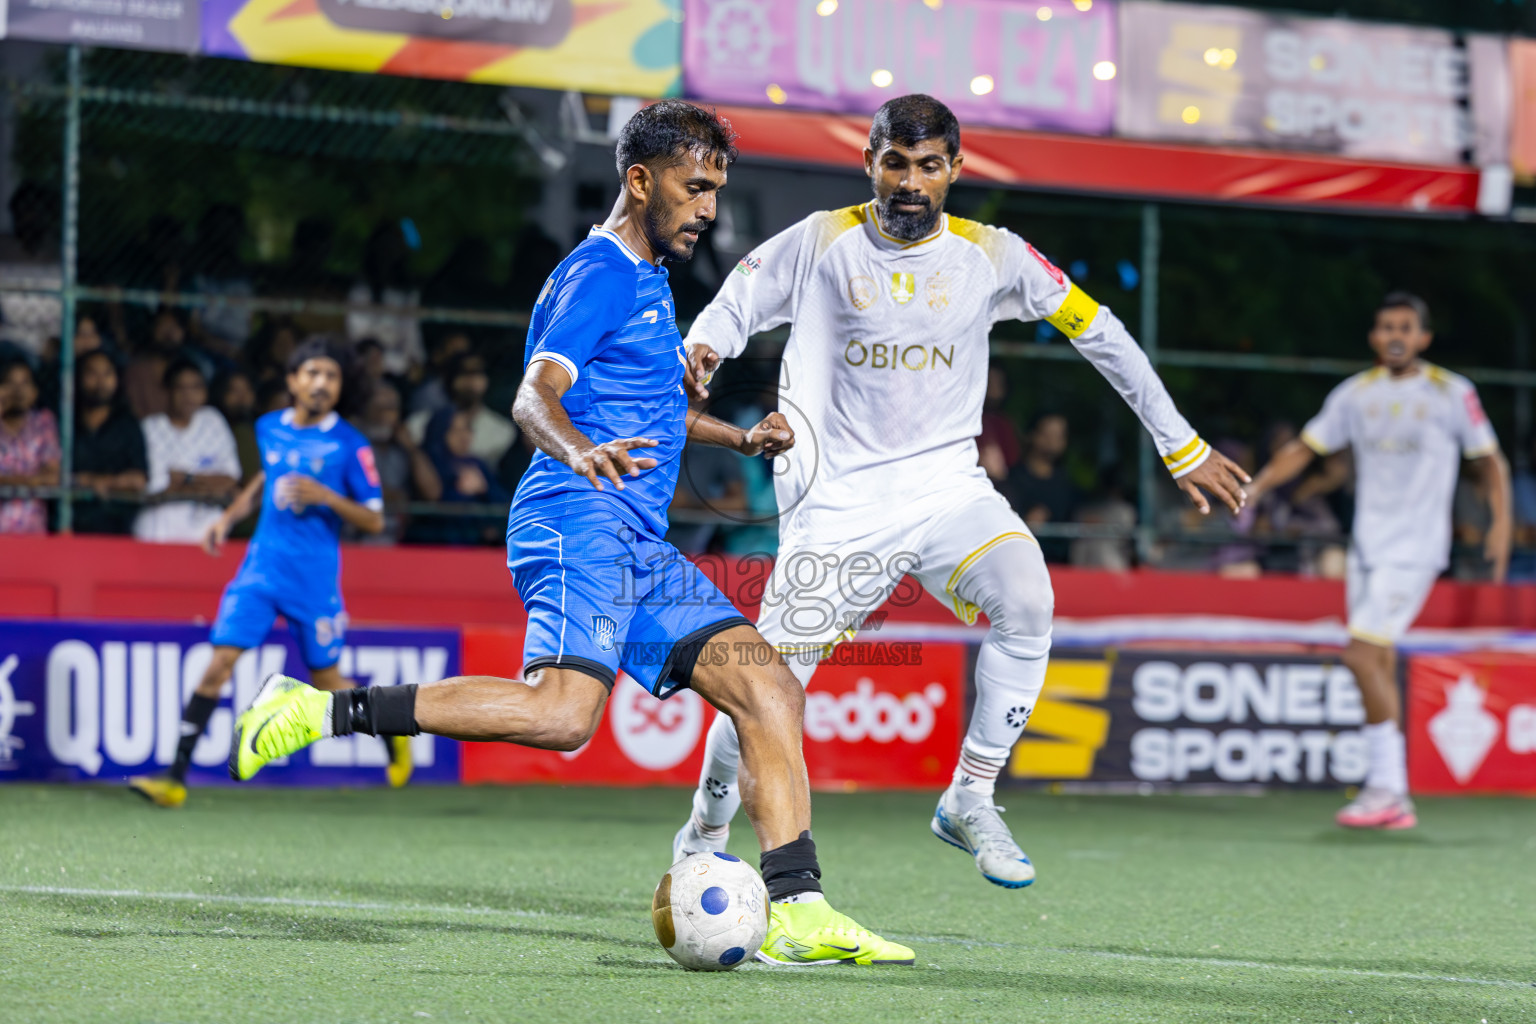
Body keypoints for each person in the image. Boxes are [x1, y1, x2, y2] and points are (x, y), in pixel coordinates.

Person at [225, 100, 913, 967]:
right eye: (696, 188)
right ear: (640, 179)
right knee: (561, 718)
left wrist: (738, 436)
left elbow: (654, 411)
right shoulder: (601, 273)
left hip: (636, 538)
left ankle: (801, 904)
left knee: (767, 686)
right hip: (573, 517)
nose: (709, 208)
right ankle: (317, 708)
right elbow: (531, 397)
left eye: (717, 190)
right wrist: (582, 452)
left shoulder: (652, 276)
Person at [673, 94, 1247, 890]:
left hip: (948, 492)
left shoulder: (994, 254)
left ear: (955, 170)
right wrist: (702, 350)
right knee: (764, 693)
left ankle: (969, 796)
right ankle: (705, 827)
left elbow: (1099, 330)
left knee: (1029, 600)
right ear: (870, 162)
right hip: (839, 508)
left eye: (929, 166)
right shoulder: (820, 241)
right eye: (896, 164)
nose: (911, 183)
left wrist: (1180, 444)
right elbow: (733, 307)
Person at [1246, 292, 1511, 830]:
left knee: (1361, 656)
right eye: (1386, 326)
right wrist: (1258, 486)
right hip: (1367, 546)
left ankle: (1386, 788)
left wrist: (1501, 523)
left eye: (1406, 327)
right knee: (1379, 659)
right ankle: (1394, 798)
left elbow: (1489, 461)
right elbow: (1306, 446)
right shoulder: (1354, 394)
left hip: (1415, 548)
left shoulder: (1451, 392)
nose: (1395, 335)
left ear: (1423, 338)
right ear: (1374, 336)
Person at [128, 336, 398, 807]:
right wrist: (229, 517)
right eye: (312, 373)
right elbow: (266, 476)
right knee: (218, 664)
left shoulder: (350, 445)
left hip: (313, 582)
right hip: (259, 570)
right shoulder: (269, 427)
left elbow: (375, 519)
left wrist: (327, 497)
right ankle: (173, 778)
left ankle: (394, 733)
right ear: (293, 381)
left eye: (331, 376)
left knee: (328, 684)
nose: (321, 383)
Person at [134, 359, 241, 544]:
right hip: (160, 524)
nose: (188, 395)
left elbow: (230, 478)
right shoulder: (150, 427)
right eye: (180, 388)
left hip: (206, 523)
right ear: (167, 392)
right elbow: (157, 485)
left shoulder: (213, 421)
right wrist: (205, 483)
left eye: (195, 388)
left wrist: (187, 478)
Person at [352, 381, 440, 543]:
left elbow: (433, 492)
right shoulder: (353, 444)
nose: (383, 416)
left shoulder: (402, 450)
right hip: (356, 537)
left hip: (399, 540)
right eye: (377, 408)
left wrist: (411, 449)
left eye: (390, 409)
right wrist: (394, 496)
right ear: (365, 410)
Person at [71, 351, 147, 535]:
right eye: (92, 374)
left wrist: (108, 482)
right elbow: (54, 473)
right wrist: (90, 481)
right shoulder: (67, 422)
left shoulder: (127, 424)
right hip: (71, 523)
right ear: (79, 377)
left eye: (107, 374)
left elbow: (139, 479)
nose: (100, 382)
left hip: (117, 525)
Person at [405, 351, 516, 468]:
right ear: (450, 379)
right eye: (464, 373)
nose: (471, 380)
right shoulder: (418, 424)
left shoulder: (503, 430)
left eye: (477, 373)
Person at [1005, 412, 1078, 563]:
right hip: (1020, 561)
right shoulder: (1012, 480)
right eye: (1049, 434)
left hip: (1061, 564)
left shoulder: (1066, 483)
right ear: (1032, 435)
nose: (1054, 440)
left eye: (1060, 435)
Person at [0, 358, 60, 534]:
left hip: (31, 531)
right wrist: (29, 481)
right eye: (9, 383)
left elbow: (51, 477)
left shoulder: (43, 422)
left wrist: (6, 481)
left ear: (35, 391)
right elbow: (36, 480)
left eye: (25, 383)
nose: (17, 392)